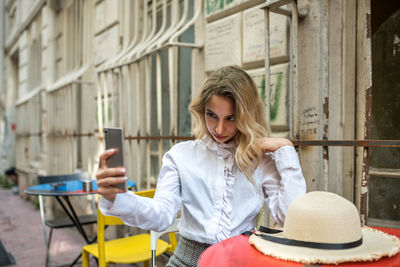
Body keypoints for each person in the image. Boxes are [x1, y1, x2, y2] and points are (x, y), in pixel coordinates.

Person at [96, 65, 306, 267]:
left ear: (246, 116)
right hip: (186, 262)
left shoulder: (259, 161)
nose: (219, 128)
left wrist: (285, 150)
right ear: (201, 110)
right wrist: (116, 197)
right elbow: (161, 216)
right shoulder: (181, 155)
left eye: (231, 118)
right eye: (211, 115)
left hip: (241, 261)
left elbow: (288, 218)